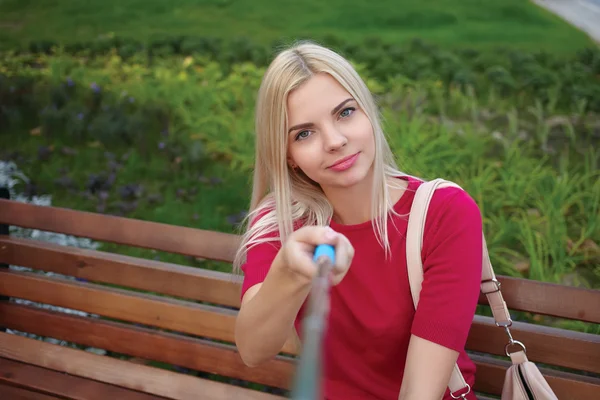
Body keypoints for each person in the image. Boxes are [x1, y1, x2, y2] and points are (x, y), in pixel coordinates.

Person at [233, 41, 482, 400]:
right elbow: (253, 351)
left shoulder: (443, 213)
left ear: (368, 113)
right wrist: (287, 274)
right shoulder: (280, 224)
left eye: (345, 113)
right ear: (288, 156)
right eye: (304, 133)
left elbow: (420, 392)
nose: (334, 141)